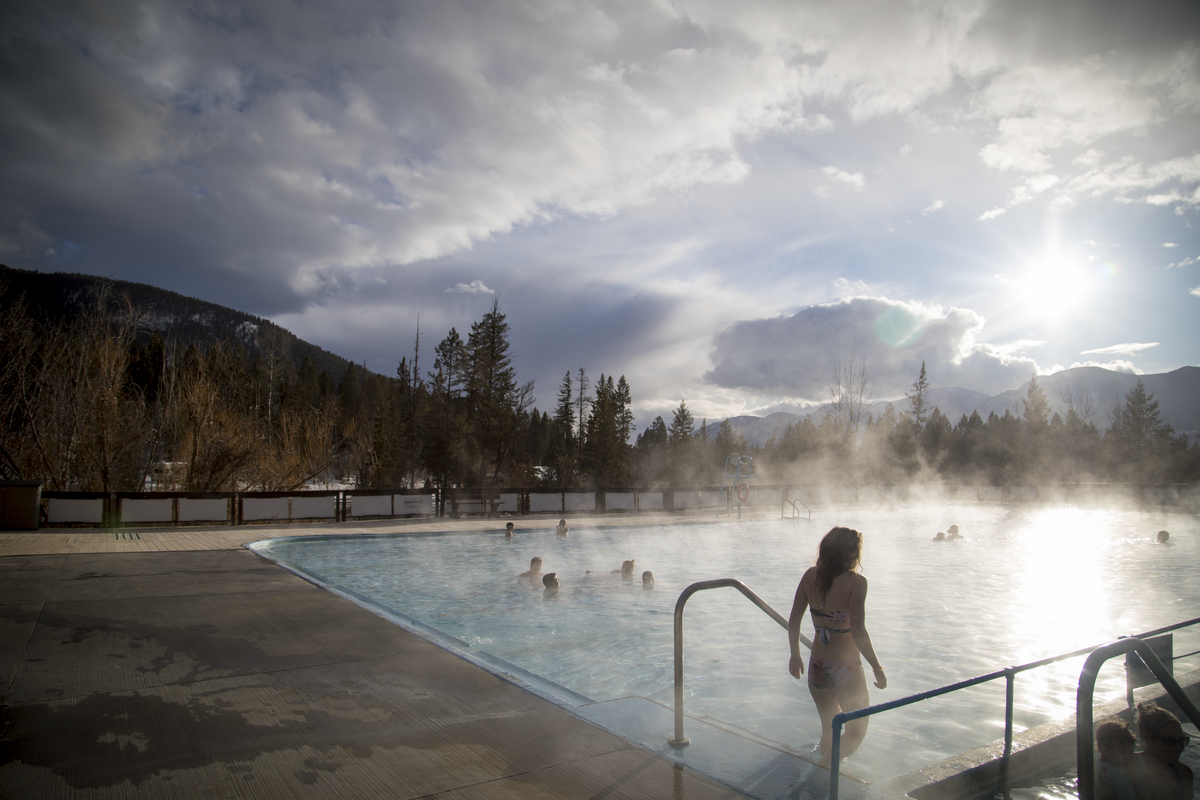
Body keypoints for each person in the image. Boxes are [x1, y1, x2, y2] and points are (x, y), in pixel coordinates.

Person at [788, 526, 885, 768]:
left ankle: (823, 780)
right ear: (852, 553)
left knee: (829, 729)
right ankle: (823, 771)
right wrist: (877, 667)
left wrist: (795, 655)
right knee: (856, 731)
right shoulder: (856, 583)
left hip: (817, 667)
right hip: (845, 668)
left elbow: (794, 621)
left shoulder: (810, 576)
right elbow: (859, 631)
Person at [1133, 701, 1193, 800]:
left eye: (1181, 741)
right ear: (1146, 737)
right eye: (1169, 741)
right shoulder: (1127, 770)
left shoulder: (1184, 774)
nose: (1179, 748)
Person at [1095, 718, 1137, 800]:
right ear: (1104, 749)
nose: (1129, 757)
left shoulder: (1094, 762)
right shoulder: (1120, 774)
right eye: (1122, 752)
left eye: (1131, 751)